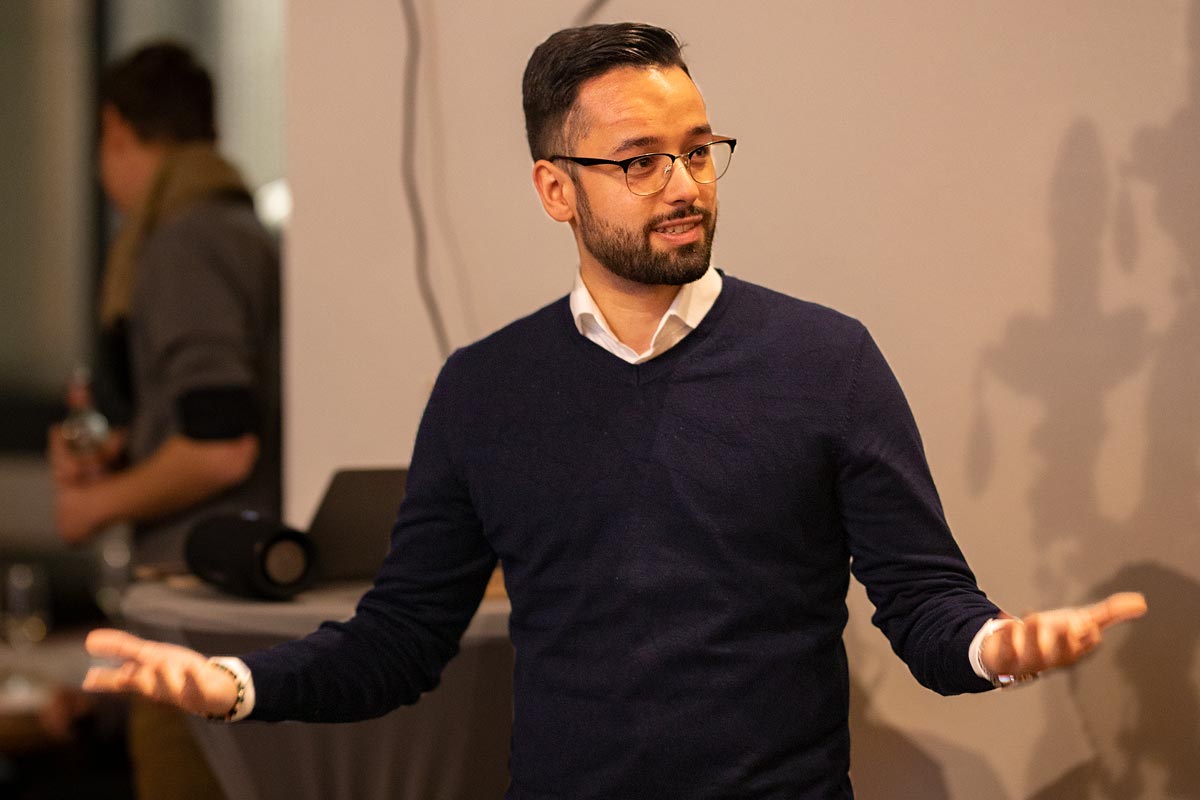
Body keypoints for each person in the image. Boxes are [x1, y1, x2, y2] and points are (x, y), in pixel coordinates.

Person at [81, 24, 1144, 799]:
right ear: (557, 190)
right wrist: (233, 683)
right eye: (640, 161)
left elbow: (925, 606)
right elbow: (401, 639)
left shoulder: (826, 360)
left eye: (698, 149)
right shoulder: (486, 389)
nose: (684, 185)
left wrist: (1000, 645)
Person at [49, 41, 281, 799]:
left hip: (197, 620)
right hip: (250, 609)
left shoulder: (185, 241)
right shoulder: (248, 232)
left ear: (117, 130)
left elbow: (220, 446)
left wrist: (91, 505)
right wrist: (127, 449)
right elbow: (222, 411)